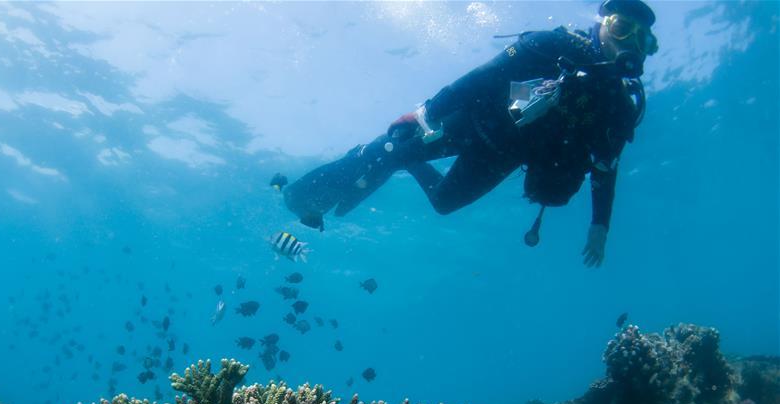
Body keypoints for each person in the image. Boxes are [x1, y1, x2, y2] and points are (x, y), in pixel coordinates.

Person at [274, 0, 657, 267]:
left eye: (642, 39)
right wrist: (427, 112)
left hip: (502, 157)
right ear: (602, 26)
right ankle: (304, 195)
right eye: (623, 28)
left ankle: (405, 158)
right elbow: (484, 77)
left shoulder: (622, 107)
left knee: (443, 203)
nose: (630, 43)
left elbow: (607, 167)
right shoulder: (553, 46)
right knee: (386, 150)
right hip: (472, 120)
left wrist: (600, 225)